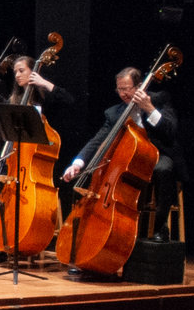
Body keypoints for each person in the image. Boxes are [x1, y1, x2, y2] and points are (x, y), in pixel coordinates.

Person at [61, 65, 182, 237]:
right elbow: (98, 140)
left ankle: (159, 226)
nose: (122, 94)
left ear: (139, 86)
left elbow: (170, 131)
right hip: (130, 159)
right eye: (119, 90)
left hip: (159, 154)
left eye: (126, 89)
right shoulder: (114, 113)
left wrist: (149, 108)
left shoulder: (159, 99)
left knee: (163, 169)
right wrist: (78, 163)